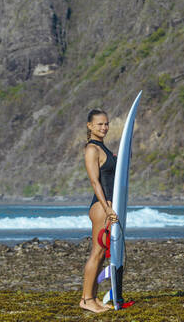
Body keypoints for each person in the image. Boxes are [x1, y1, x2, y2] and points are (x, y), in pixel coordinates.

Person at [80, 109, 119, 313]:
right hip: (101, 207)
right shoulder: (92, 149)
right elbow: (95, 182)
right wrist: (107, 208)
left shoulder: (102, 147)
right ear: (89, 126)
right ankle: (86, 299)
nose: (104, 127)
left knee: (102, 253)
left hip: (108, 206)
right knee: (96, 253)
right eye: (99, 124)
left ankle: (93, 298)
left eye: (106, 124)